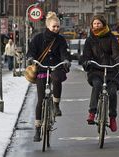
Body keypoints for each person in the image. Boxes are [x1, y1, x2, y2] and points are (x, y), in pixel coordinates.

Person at [26, 11, 71, 142]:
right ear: (48, 26)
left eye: (58, 26)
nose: (56, 29)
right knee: (40, 100)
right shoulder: (38, 38)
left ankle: (56, 105)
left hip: (56, 67)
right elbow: (31, 51)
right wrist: (30, 58)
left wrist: (66, 60)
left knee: (57, 79)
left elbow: (64, 53)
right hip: (42, 68)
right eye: (54, 27)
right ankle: (37, 129)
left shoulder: (61, 40)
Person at [82, 15, 119, 132]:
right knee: (97, 86)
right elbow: (86, 55)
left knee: (112, 92)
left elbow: (116, 53)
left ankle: (112, 118)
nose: (97, 25)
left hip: (111, 71)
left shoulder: (112, 38)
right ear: (92, 25)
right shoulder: (90, 40)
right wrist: (86, 62)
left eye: (99, 23)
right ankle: (92, 113)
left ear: (103, 24)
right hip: (96, 70)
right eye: (95, 24)